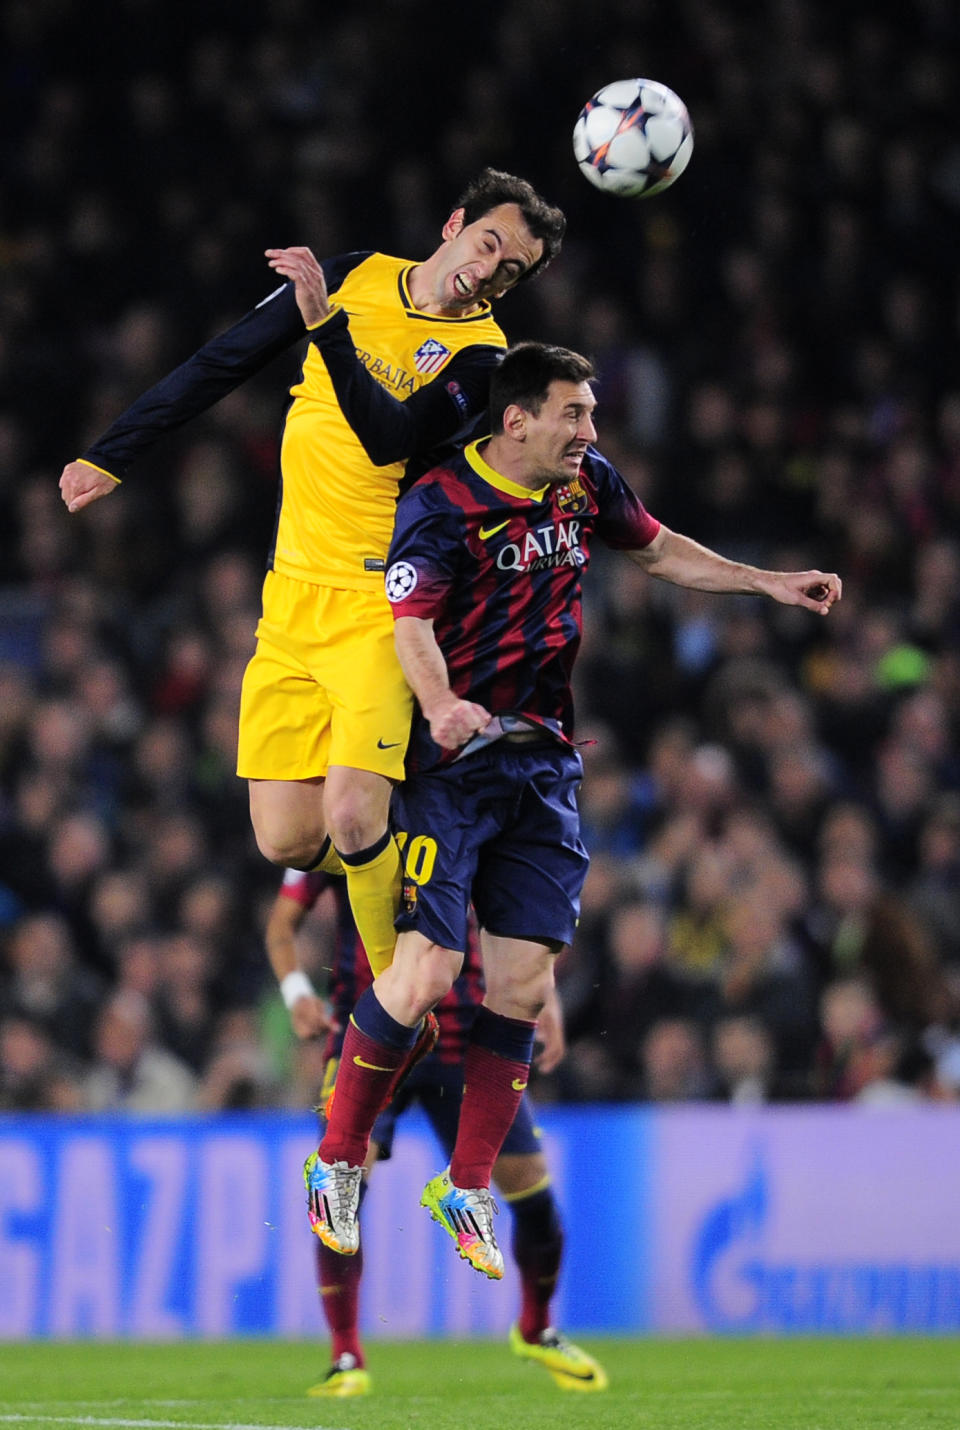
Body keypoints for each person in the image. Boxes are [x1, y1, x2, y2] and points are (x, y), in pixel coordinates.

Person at [306, 340, 842, 1277]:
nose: (591, 431)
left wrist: (767, 582)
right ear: (517, 419)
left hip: (544, 764)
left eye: (592, 415)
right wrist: (439, 708)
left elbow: (662, 549)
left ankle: (464, 1186)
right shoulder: (440, 503)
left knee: (520, 988)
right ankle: (337, 1161)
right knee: (428, 974)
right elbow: (411, 626)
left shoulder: (584, 482)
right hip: (453, 768)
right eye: (575, 414)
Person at [58, 170, 566, 997]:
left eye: (512, 269)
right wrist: (113, 452)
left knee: (353, 816)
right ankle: (430, 861)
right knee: (286, 840)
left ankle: (401, 997)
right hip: (291, 595)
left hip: (383, 604)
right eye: (488, 243)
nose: (491, 268)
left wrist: (327, 328)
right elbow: (223, 360)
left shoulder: (486, 359)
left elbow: (387, 439)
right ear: (453, 225)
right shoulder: (357, 273)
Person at [267, 868, 608, 1395]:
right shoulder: (356, 816)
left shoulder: (473, 820)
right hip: (373, 1037)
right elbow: (282, 924)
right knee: (341, 1186)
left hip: (467, 1042)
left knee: (532, 1190)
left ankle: (536, 1328)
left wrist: (548, 999)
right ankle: (346, 1356)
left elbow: (517, 924)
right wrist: (295, 994)